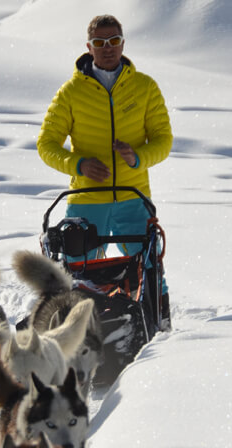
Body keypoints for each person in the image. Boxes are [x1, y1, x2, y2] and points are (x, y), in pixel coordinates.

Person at [37, 14, 173, 329]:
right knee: (76, 273)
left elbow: (164, 141)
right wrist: (78, 164)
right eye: (100, 42)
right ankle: (74, 333)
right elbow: (46, 144)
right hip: (86, 200)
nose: (107, 48)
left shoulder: (145, 87)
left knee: (149, 266)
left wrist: (137, 157)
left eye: (113, 41)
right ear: (89, 47)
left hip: (132, 197)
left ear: (123, 43)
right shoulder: (71, 92)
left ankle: (160, 328)